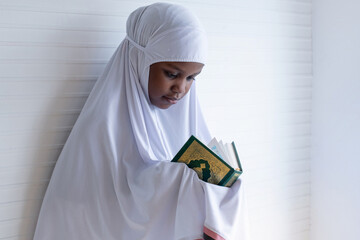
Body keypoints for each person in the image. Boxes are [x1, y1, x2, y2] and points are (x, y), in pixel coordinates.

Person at [33, 2, 249, 240]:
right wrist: (181, 179)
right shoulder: (102, 127)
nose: (180, 89)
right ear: (139, 59)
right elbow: (110, 208)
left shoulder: (187, 119)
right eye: (171, 74)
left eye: (191, 78)